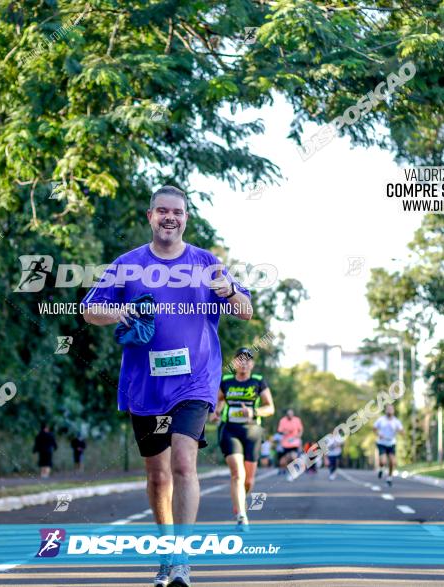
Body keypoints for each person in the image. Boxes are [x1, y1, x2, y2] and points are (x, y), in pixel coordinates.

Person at [82, 185, 252, 587]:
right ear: (150, 216)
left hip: (195, 380)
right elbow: (90, 310)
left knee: (182, 463)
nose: (169, 218)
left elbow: (244, 310)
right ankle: (165, 552)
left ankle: (182, 560)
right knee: (159, 476)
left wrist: (227, 290)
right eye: (162, 211)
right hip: (145, 384)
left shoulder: (206, 263)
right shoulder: (127, 264)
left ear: (186, 218)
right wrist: (119, 311)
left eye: (177, 212)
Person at [209, 348, 274, 531]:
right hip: (230, 430)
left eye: (248, 360)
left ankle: (241, 500)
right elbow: (218, 401)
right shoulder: (227, 381)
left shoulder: (258, 382)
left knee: (248, 480)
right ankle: (241, 515)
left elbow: (270, 408)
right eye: (240, 359)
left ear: (252, 364)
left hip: (252, 431)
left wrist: (253, 412)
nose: (244, 363)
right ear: (235, 363)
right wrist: (216, 412)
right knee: (238, 474)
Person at [374, 404, 404, 487]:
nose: (390, 410)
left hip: (391, 443)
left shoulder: (396, 421)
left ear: (393, 411)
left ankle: (389, 478)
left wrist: (400, 431)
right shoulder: (381, 420)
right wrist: (378, 434)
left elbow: (402, 432)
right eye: (388, 409)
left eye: (391, 409)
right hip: (381, 443)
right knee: (383, 461)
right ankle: (381, 469)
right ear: (386, 410)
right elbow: (374, 429)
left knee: (392, 461)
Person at [277, 408, 303, 481]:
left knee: (293, 456)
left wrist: (298, 436)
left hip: (294, 442)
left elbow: (300, 430)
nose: (290, 416)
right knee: (284, 461)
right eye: (288, 414)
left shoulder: (297, 420)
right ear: (286, 415)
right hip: (285, 443)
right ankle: (290, 472)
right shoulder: (282, 420)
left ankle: (293, 472)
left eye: (291, 414)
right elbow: (279, 431)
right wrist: (283, 433)